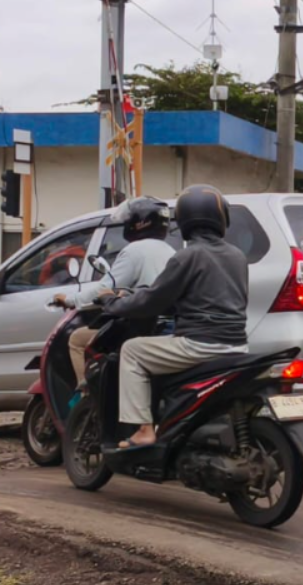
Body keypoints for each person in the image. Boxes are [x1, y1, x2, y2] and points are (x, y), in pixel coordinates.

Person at [103, 185, 249, 449]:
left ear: (183, 221)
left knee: (132, 351)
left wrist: (112, 303)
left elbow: (152, 299)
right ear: (222, 219)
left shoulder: (187, 256)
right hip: (237, 345)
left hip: (199, 345)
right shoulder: (237, 256)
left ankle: (144, 430)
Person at [52, 197, 176, 386]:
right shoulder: (170, 251)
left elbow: (105, 287)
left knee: (77, 339)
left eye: (129, 220)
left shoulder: (134, 250)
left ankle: (85, 395)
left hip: (143, 326)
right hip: (165, 326)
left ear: (139, 222)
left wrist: (70, 300)